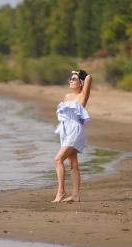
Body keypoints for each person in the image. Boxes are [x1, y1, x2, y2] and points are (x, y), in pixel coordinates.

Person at [52, 69, 92, 203]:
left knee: (58, 159)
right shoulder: (67, 96)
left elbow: (89, 78)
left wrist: (80, 72)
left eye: (74, 79)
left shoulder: (82, 96)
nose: (70, 80)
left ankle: (61, 192)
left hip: (75, 130)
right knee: (73, 164)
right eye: (70, 78)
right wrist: (75, 75)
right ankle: (75, 195)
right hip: (65, 130)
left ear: (80, 82)